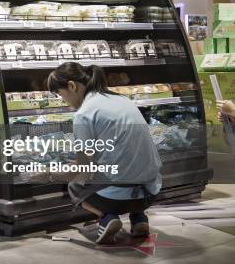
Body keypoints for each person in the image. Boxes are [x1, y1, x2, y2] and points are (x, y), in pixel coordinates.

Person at [47, 63, 162, 244]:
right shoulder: (122, 99)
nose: (64, 102)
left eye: (61, 95)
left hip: (115, 199)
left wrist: (50, 173)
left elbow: (82, 168)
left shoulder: (84, 114)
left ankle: (107, 217)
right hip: (151, 191)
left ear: (72, 86)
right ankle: (139, 218)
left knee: (75, 184)